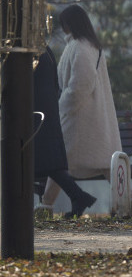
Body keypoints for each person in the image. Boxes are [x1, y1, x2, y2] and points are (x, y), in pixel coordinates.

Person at [39, 4, 122, 213]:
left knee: (58, 160)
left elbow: (80, 86)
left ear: (70, 24)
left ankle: (48, 204)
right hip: (89, 115)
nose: (63, 27)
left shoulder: (80, 47)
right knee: (95, 163)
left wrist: (62, 107)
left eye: (64, 23)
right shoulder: (87, 45)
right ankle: (126, 202)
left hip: (79, 117)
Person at [33, 46, 97, 218]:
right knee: (50, 163)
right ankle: (79, 196)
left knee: (44, 162)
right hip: (47, 110)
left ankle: (79, 197)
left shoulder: (30, 51)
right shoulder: (44, 51)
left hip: (36, 112)